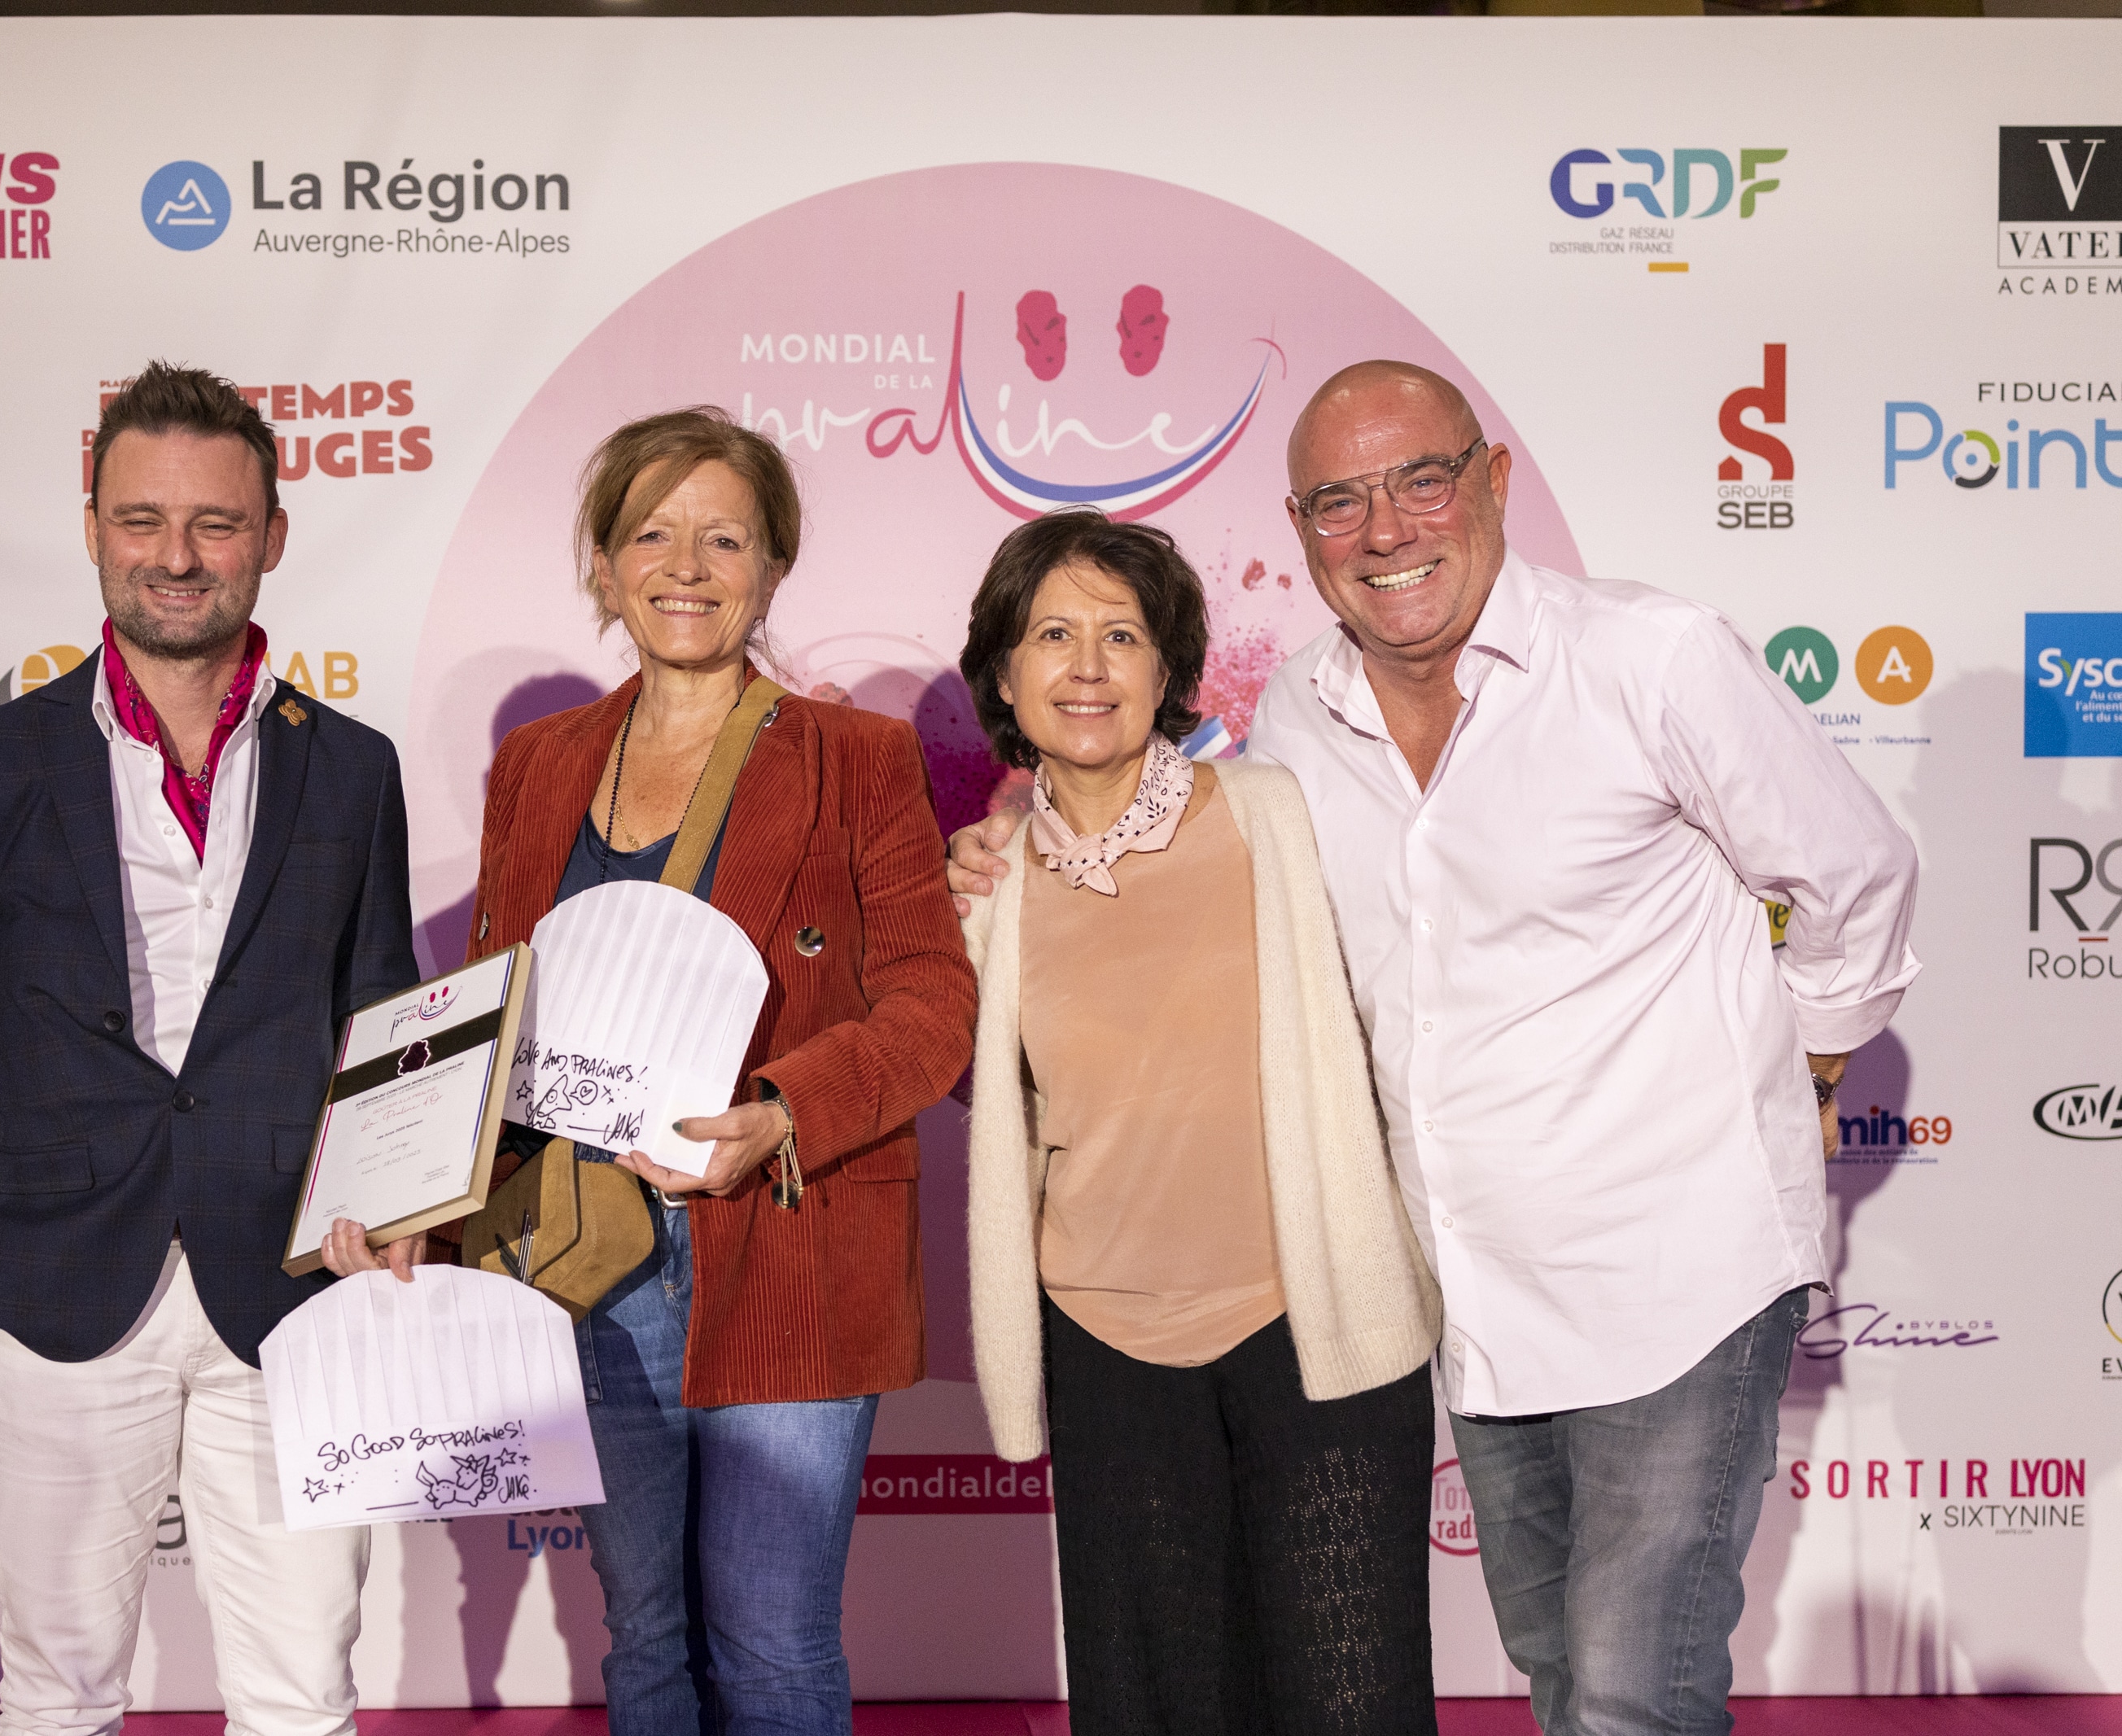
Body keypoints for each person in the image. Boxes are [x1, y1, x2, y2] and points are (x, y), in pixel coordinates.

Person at [949, 362, 1921, 1736]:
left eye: (1421, 479)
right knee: (1559, 1668)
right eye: (1340, 501)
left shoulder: (1651, 657)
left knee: (1630, 1693)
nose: (1386, 529)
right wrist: (1006, 833)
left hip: (1679, 1269)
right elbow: (1141, 837)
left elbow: (1858, 872)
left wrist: (1812, 1064)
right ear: (1301, 530)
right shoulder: (1297, 718)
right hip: (1477, 1296)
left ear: (1494, 480)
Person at [326, 406, 974, 1735]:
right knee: (647, 1633)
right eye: (652, 536)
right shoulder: (539, 764)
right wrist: (409, 1198)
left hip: (786, 1240)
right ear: (605, 567)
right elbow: (488, 1014)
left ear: (773, 565)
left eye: (724, 538)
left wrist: (783, 1111)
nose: (687, 566)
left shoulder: (856, 759)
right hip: (585, 1252)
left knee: (774, 1637)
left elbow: (933, 1001)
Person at [0, 361, 417, 1736]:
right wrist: (34, 1156)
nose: (176, 555)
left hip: (291, 1286)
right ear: (93, 526)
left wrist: (388, 1191)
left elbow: (383, 1012)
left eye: (215, 523)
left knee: (304, 1694)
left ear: (271, 536)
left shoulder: (353, 767)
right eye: (142, 518)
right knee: (59, 1693)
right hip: (57, 1283)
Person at [950, 510, 1442, 1736]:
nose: (1087, 667)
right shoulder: (988, 888)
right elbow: (986, 1099)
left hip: (1311, 1322)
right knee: (1156, 1708)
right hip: (1105, 1345)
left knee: (1353, 1703)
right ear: (1003, 674)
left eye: (1122, 635)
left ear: (1168, 668)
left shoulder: (1273, 810)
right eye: (1052, 635)